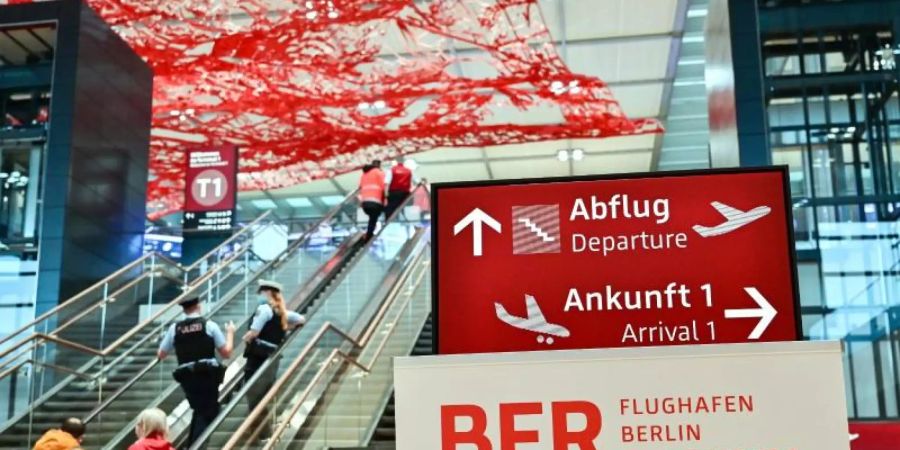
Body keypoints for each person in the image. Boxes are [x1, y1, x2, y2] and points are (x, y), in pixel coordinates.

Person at [158, 296, 234, 448]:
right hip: (207, 375)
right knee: (209, 411)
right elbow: (226, 353)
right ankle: (197, 446)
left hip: (187, 377)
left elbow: (161, 354)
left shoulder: (175, 328)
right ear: (199, 306)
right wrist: (230, 333)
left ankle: (193, 444)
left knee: (199, 410)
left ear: (184, 309)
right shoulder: (209, 325)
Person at [241, 280, 306, 436]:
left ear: (268, 292)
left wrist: (245, 338)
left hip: (257, 358)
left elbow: (254, 332)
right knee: (263, 394)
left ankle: (260, 433)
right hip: (272, 358)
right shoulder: (282, 312)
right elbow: (301, 320)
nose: (259, 296)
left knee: (253, 393)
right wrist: (285, 328)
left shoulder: (264, 309)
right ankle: (263, 432)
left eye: (261, 292)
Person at [358, 160, 386, 240]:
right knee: (374, 218)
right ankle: (368, 236)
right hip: (375, 201)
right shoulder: (379, 172)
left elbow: (360, 187)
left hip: (365, 202)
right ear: (379, 165)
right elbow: (384, 185)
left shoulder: (364, 174)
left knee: (372, 218)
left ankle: (368, 234)